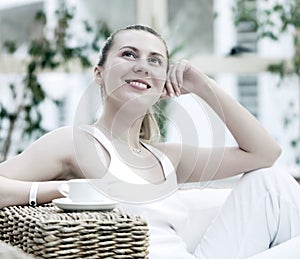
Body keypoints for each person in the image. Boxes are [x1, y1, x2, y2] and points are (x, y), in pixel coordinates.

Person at [0, 24, 300, 258]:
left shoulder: (166, 157)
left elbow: (264, 153)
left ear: (162, 87)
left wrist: (202, 84)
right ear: (99, 74)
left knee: (272, 183)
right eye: (128, 54)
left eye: (155, 61)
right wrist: (60, 190)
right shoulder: (77, 142)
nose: (142, 66)